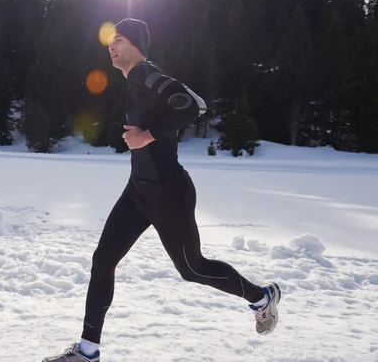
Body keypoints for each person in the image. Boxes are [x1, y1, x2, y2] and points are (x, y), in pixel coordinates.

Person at [42, 18, 281, 362]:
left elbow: (193, 104)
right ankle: (87, 350)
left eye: (119, 39)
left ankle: (262, 297)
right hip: (139, 191)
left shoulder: (143, 72)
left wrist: (146, 136)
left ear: (137, 44)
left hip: (169, 192)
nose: (112, 45)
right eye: (110, 40)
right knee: (104, 259)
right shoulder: (134, 79)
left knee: (193, 269)